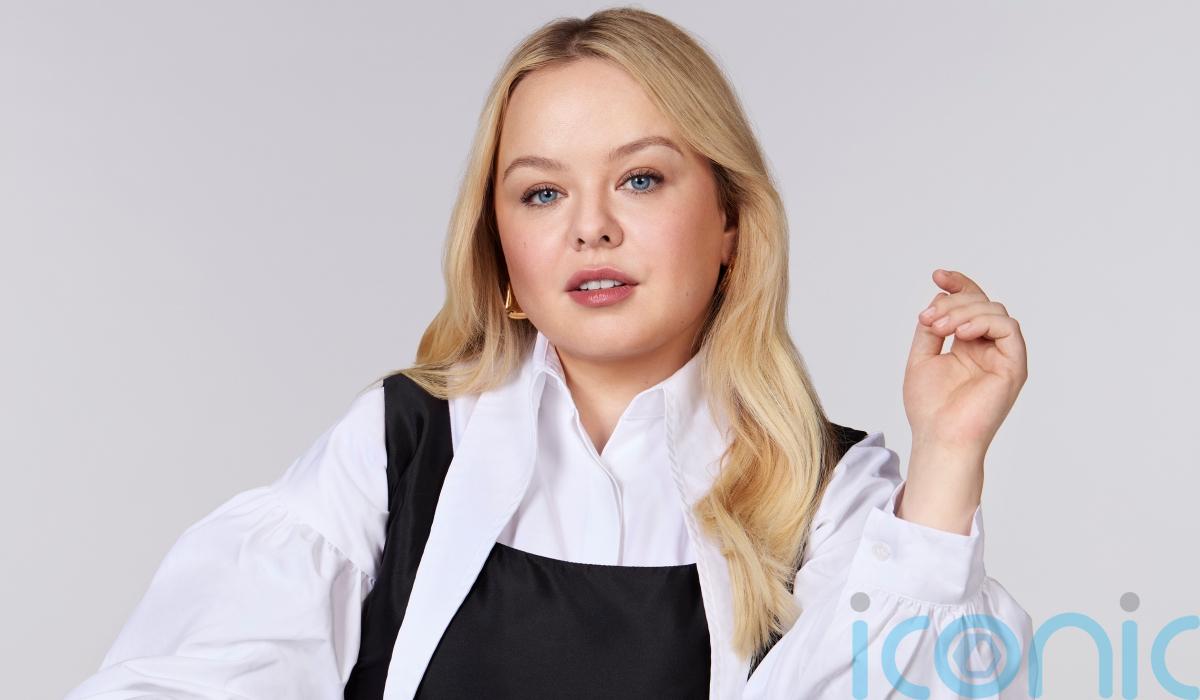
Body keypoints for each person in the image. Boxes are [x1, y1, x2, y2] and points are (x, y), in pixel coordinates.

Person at [66, 7, 1036, 699]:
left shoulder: (832, 492)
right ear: (500, 254)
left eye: (641, 178)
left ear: (730, 223)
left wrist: (948, 457)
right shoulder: (401, 448)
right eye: (541, 193)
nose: (590, 227)